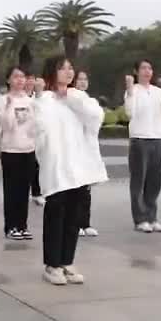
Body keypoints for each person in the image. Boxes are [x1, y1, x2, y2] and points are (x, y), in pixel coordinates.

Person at [34, 55, 107, 285]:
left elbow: (96, 117)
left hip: (79, 165)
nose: (68, 72)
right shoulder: (43, 98)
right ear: (51, 72)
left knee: (74, 216)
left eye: (70, 68)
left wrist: (71, 98)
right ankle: (52, 265)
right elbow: (38, 126)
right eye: (62, 68)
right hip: (57, 165)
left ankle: (67, 261)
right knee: (56, 213)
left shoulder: (79, 96)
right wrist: (37, 97)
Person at [124, 59, 161, 233]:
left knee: (154, 181)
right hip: (139, 140)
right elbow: (129, 112)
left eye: (150, 68)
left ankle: (152, 217)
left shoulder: (158, 92)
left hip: (157, 139)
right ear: (136, 71)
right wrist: (129, 90)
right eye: (143, 68)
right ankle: (140, 219)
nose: (147, 71)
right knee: (138, 181)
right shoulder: (132, 91)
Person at [0, 66, 38, 241]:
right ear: (8, 80)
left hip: (28, 149)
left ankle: (22, 225)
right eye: (16, 77)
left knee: (24, 190)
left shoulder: (31, 101)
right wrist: (8, 109)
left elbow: (36, 125)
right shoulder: (3, 100)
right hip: (10, 150)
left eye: (23, 77)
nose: (20, 80)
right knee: (11, 190)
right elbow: (5, 126)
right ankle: (11, 226)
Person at [73, 70, 99, 237]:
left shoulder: (91, 101)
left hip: (88, 148)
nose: (82, 82)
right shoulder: (70, 100)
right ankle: (75, 224)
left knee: (86, 188)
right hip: (74, 148)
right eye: (79, 79)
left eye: (85, 79)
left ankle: (85, 223)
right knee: (76, 188)